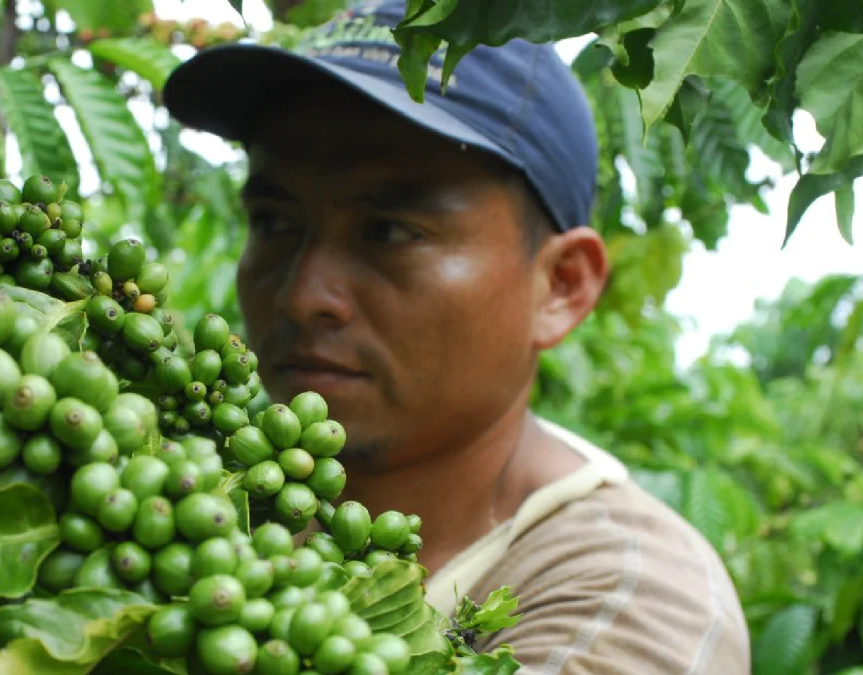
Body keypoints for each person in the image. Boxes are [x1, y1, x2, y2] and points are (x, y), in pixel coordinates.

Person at [160, 1, 751, 672]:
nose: (302, 296)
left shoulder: (629, 597)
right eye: (272, 221)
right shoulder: (201, 495)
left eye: (387, 231)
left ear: (560, 286)